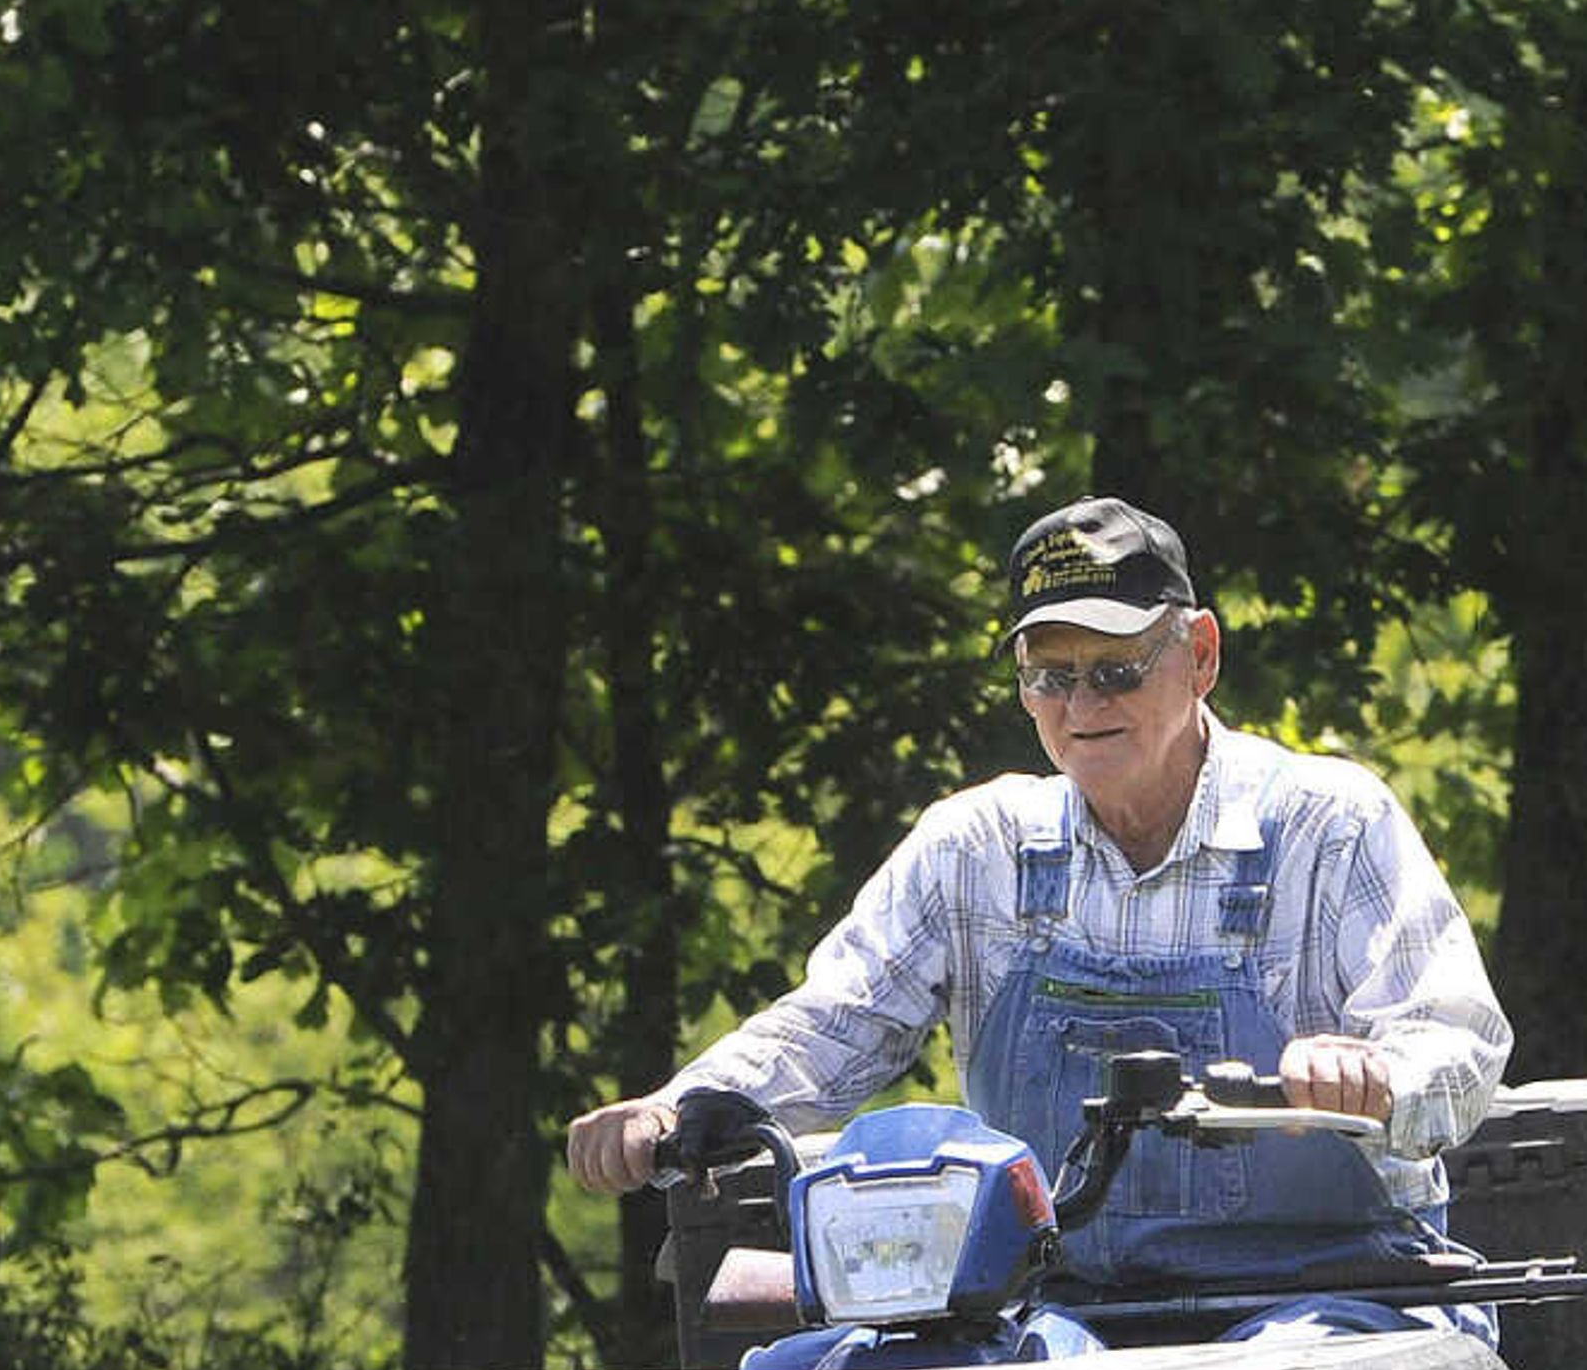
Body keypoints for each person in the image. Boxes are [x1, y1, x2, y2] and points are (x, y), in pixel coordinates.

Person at [567, 497, 1511, 1295]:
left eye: (1116, 670)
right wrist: (678, 1108)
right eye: (1050, 677)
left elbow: (1459, 1041)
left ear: (1202, 656)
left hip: (1330, 1298)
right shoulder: (975, 846)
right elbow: (833, 1025)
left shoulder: (1328, 822)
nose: (1083, 706)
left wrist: (1377, 1077)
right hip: (1056, 1312)